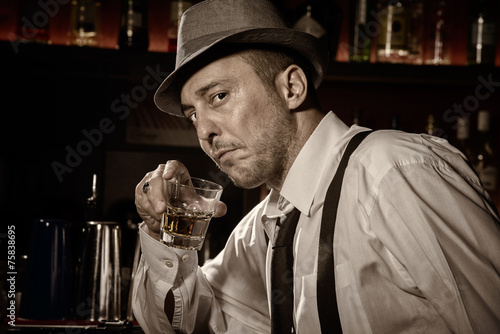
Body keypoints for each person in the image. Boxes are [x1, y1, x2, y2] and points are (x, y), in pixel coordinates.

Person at [132, 0, 500, 333]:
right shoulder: (266, 225)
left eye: (219, 96)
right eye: (192, 114)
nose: (204, 130)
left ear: (291, 87)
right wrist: (166, 230)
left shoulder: (394, 171)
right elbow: (186, 326)